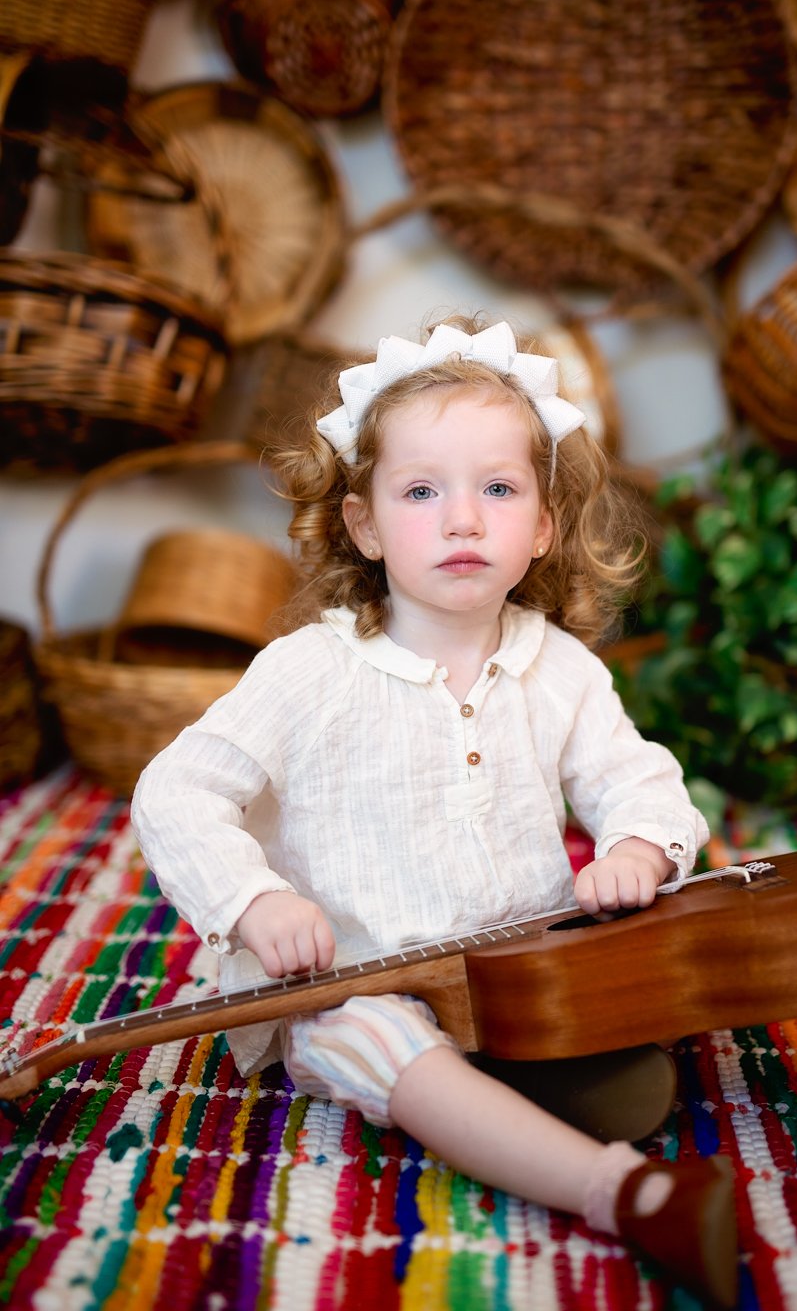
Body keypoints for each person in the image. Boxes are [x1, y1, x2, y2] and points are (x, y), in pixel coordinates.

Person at [132, 315, 736, 1307]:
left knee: (642, 1070)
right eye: (422, 491)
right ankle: (627, 1196)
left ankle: (529, 1070)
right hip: (353, 980)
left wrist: (638, 842)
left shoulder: (561, 670)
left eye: (498, 489)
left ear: (542, 524)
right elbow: (176, 789)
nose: (464, 519)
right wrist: (253, 904)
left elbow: (639, 776)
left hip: (517, 965)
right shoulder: (309, 672)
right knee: (378, 1044)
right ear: (365, 524)